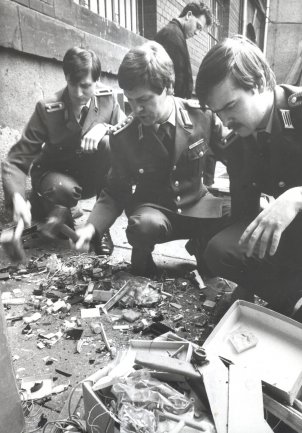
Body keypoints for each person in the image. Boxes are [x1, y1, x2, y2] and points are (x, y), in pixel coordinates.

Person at [73, 41, 228, 277]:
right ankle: (143, 254)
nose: (136, 109)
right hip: (154, 214)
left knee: (239, 212)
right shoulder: (124, 136)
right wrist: (91, 228)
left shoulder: (201, 117)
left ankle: (202, 244)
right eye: (130, 101)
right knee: (143, 227)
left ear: (167, 88)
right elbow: (114, 191)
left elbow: (235, 158)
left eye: (144, 100)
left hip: (198, 205)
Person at [196, 35, 302, 319]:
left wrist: (296, 197)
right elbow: (244, 214)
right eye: (218, 112)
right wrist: (243, 288)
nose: (224, 121)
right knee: (219, 250)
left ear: (257, 84)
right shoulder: (238, 143)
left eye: (230, 106)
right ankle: (292, 302)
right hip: (290, 244)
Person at [2, 47, 125, 255]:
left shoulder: (109, 99)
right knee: (62, 201)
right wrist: (17, 198)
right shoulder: (48, 108)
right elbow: (16, 160)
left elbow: (127, 132)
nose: (78, 93)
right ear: (66, 77)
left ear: (97, 81)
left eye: (86, 86)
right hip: (56, 177)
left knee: (109, 144)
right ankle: (48, 203)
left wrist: (105, 128)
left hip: (89, 178)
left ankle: (101, 228)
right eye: (72, 84)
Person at [155, 2, 212, 99]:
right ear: (188, 15)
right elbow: (174, 78)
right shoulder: (172, 35)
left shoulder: (175, 33)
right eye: (198, 26)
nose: (197, 33)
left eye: (200, 30)